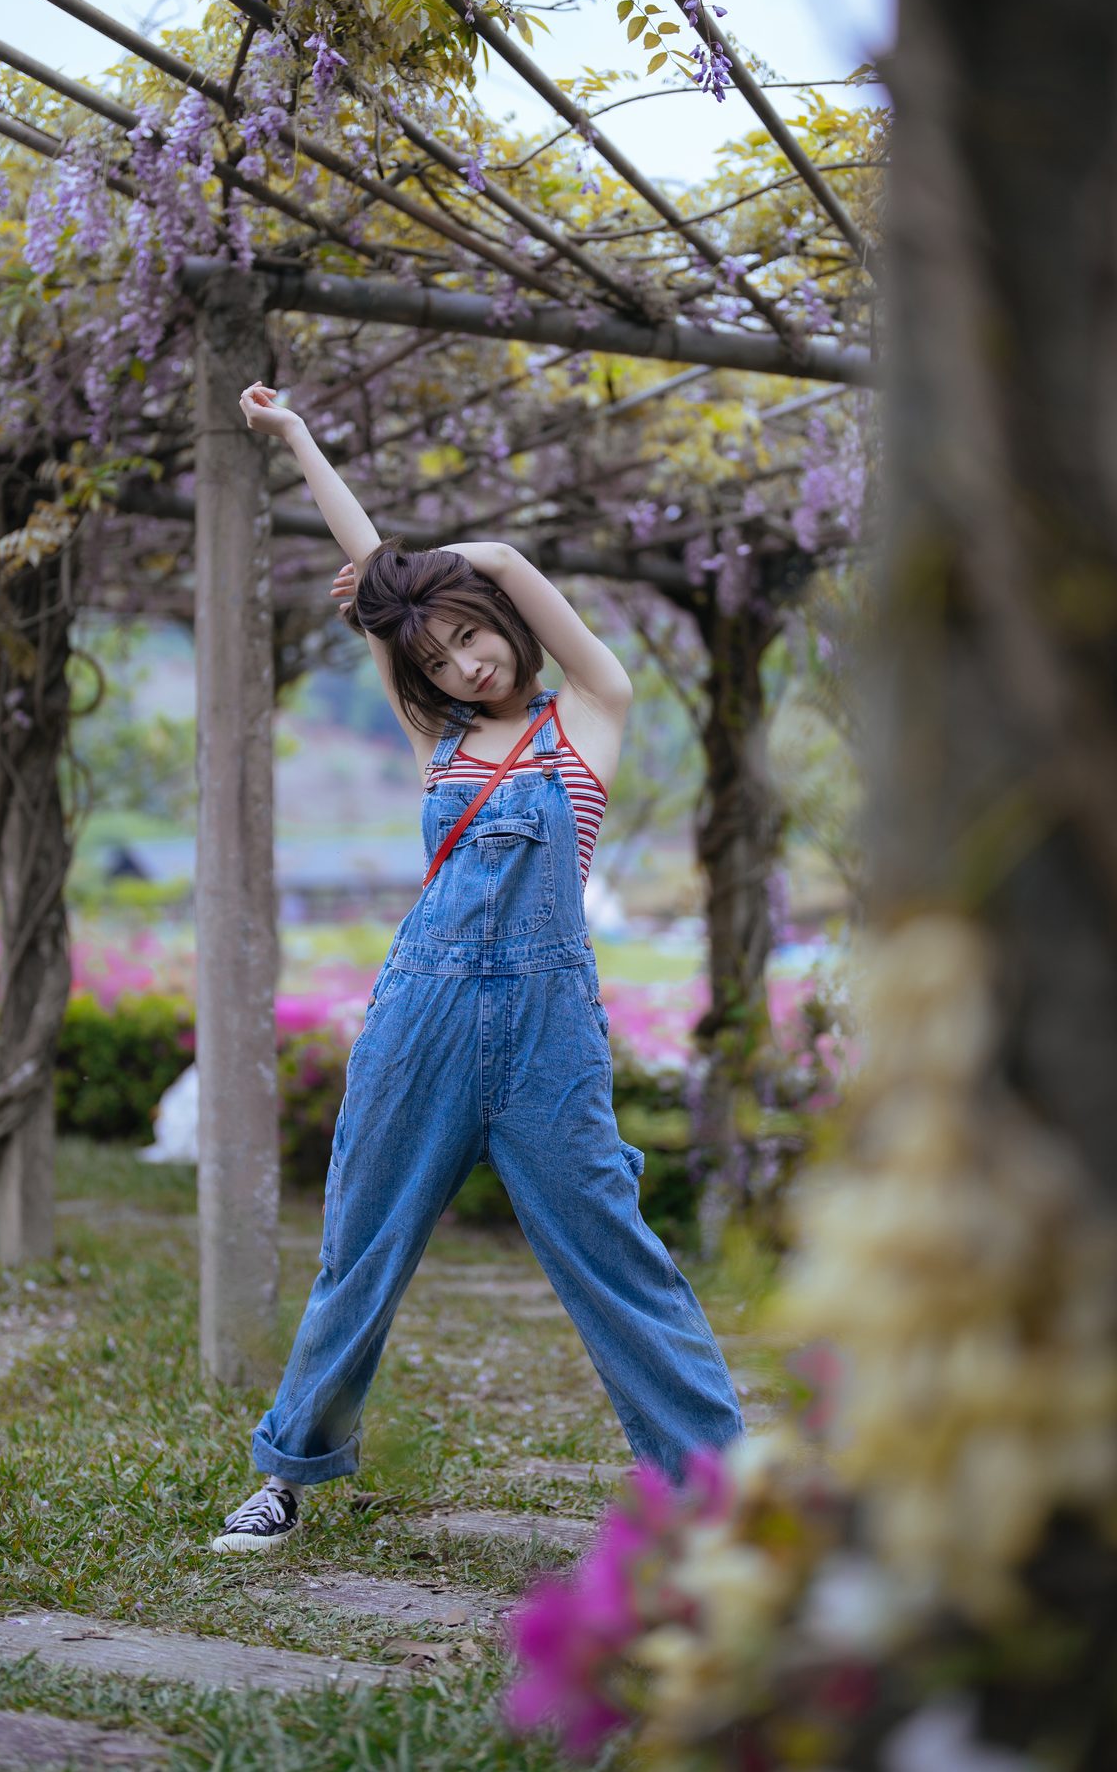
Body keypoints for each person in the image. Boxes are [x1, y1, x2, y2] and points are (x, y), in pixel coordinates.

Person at [209, 380, 745, 1551]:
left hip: (551, 1035)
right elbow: (379, 581)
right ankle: (288, 1472)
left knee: (618, 1256)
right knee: (363, 1243)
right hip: (423, 1019)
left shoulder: (590, 713)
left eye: (471, 633)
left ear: (500, 614)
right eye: (439, 657)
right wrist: (296, 436)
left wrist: (466, 563)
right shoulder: (435, 738)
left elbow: (472, 577)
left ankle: (719, 1489)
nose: (465, 664)